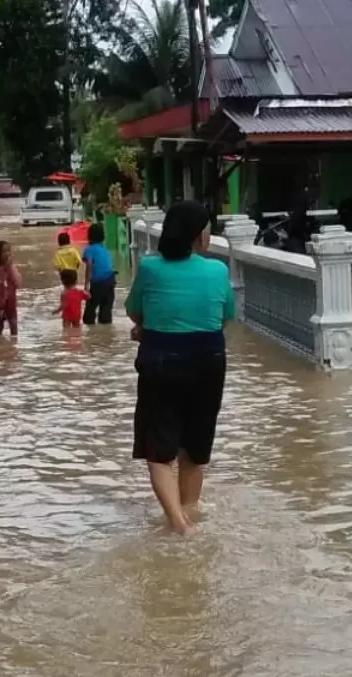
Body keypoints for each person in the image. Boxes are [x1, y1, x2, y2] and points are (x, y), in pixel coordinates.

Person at [125, 200, 235, 534]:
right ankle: (188, 515)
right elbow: (225, 316)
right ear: (198, 235)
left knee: (159, 452)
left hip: (161, 362)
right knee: (195, 449)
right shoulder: (218, 271)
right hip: (209, 362)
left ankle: (178, 523)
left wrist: (148, 329)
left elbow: (134, 311)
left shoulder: (150, 268)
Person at [82, 222, 115, 324]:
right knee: (105, 315)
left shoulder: (89, 250)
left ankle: (92, 335)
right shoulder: (105, 250)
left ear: (89, 236)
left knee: (89, 316)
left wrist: (86, 285)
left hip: (98, 283)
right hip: (110, 281)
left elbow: (89, 265)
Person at [0, 240, 21, 337]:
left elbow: (18, 282)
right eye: (4, 251)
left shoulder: (12, 268)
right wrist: (2, 273)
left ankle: (14, 345)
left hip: (10, 301)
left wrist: (9, 268)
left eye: (9, 251)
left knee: (13, 324)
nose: (7, 254)